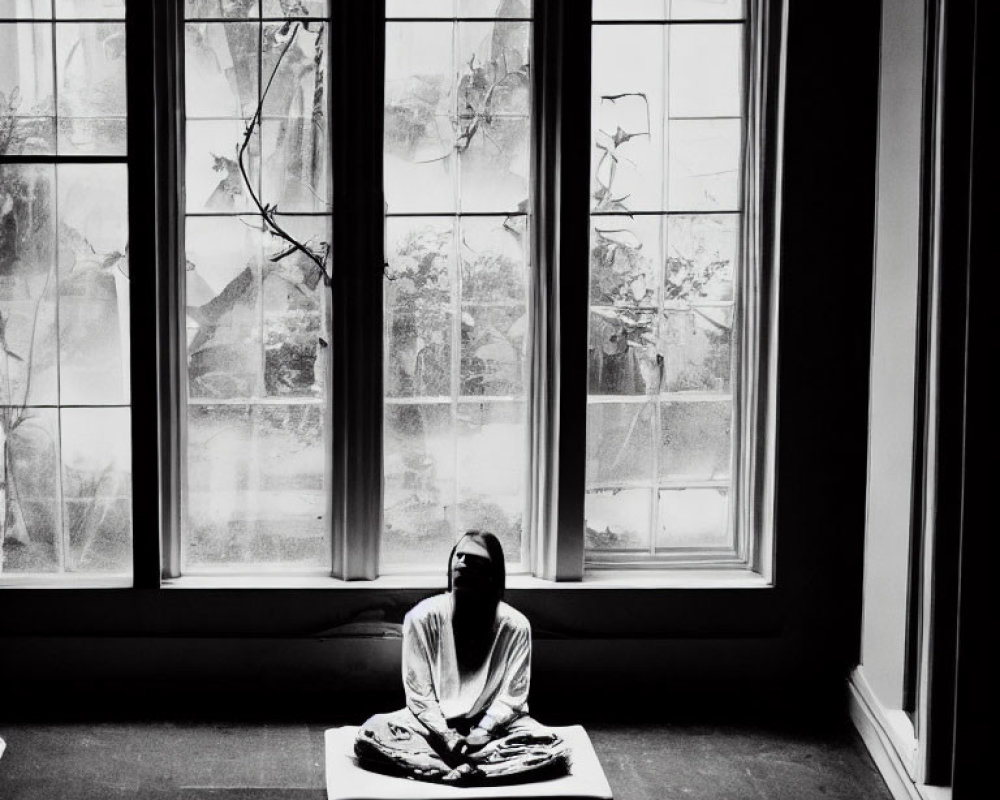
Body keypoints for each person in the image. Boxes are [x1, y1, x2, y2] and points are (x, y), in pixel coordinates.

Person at [354, 531, 570, 784]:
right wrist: (446, 736)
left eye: (474, 560)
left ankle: (463, 769)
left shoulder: (515, 625)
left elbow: (513, 696)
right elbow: (419, 695)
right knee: (371, 734)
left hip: (495, 730)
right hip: (432, 726)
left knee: (550, 747)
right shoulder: (421, 617)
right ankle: (464, 768)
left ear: (492, 574)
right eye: (459, 556)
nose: (462, 564)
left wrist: (484, 731)